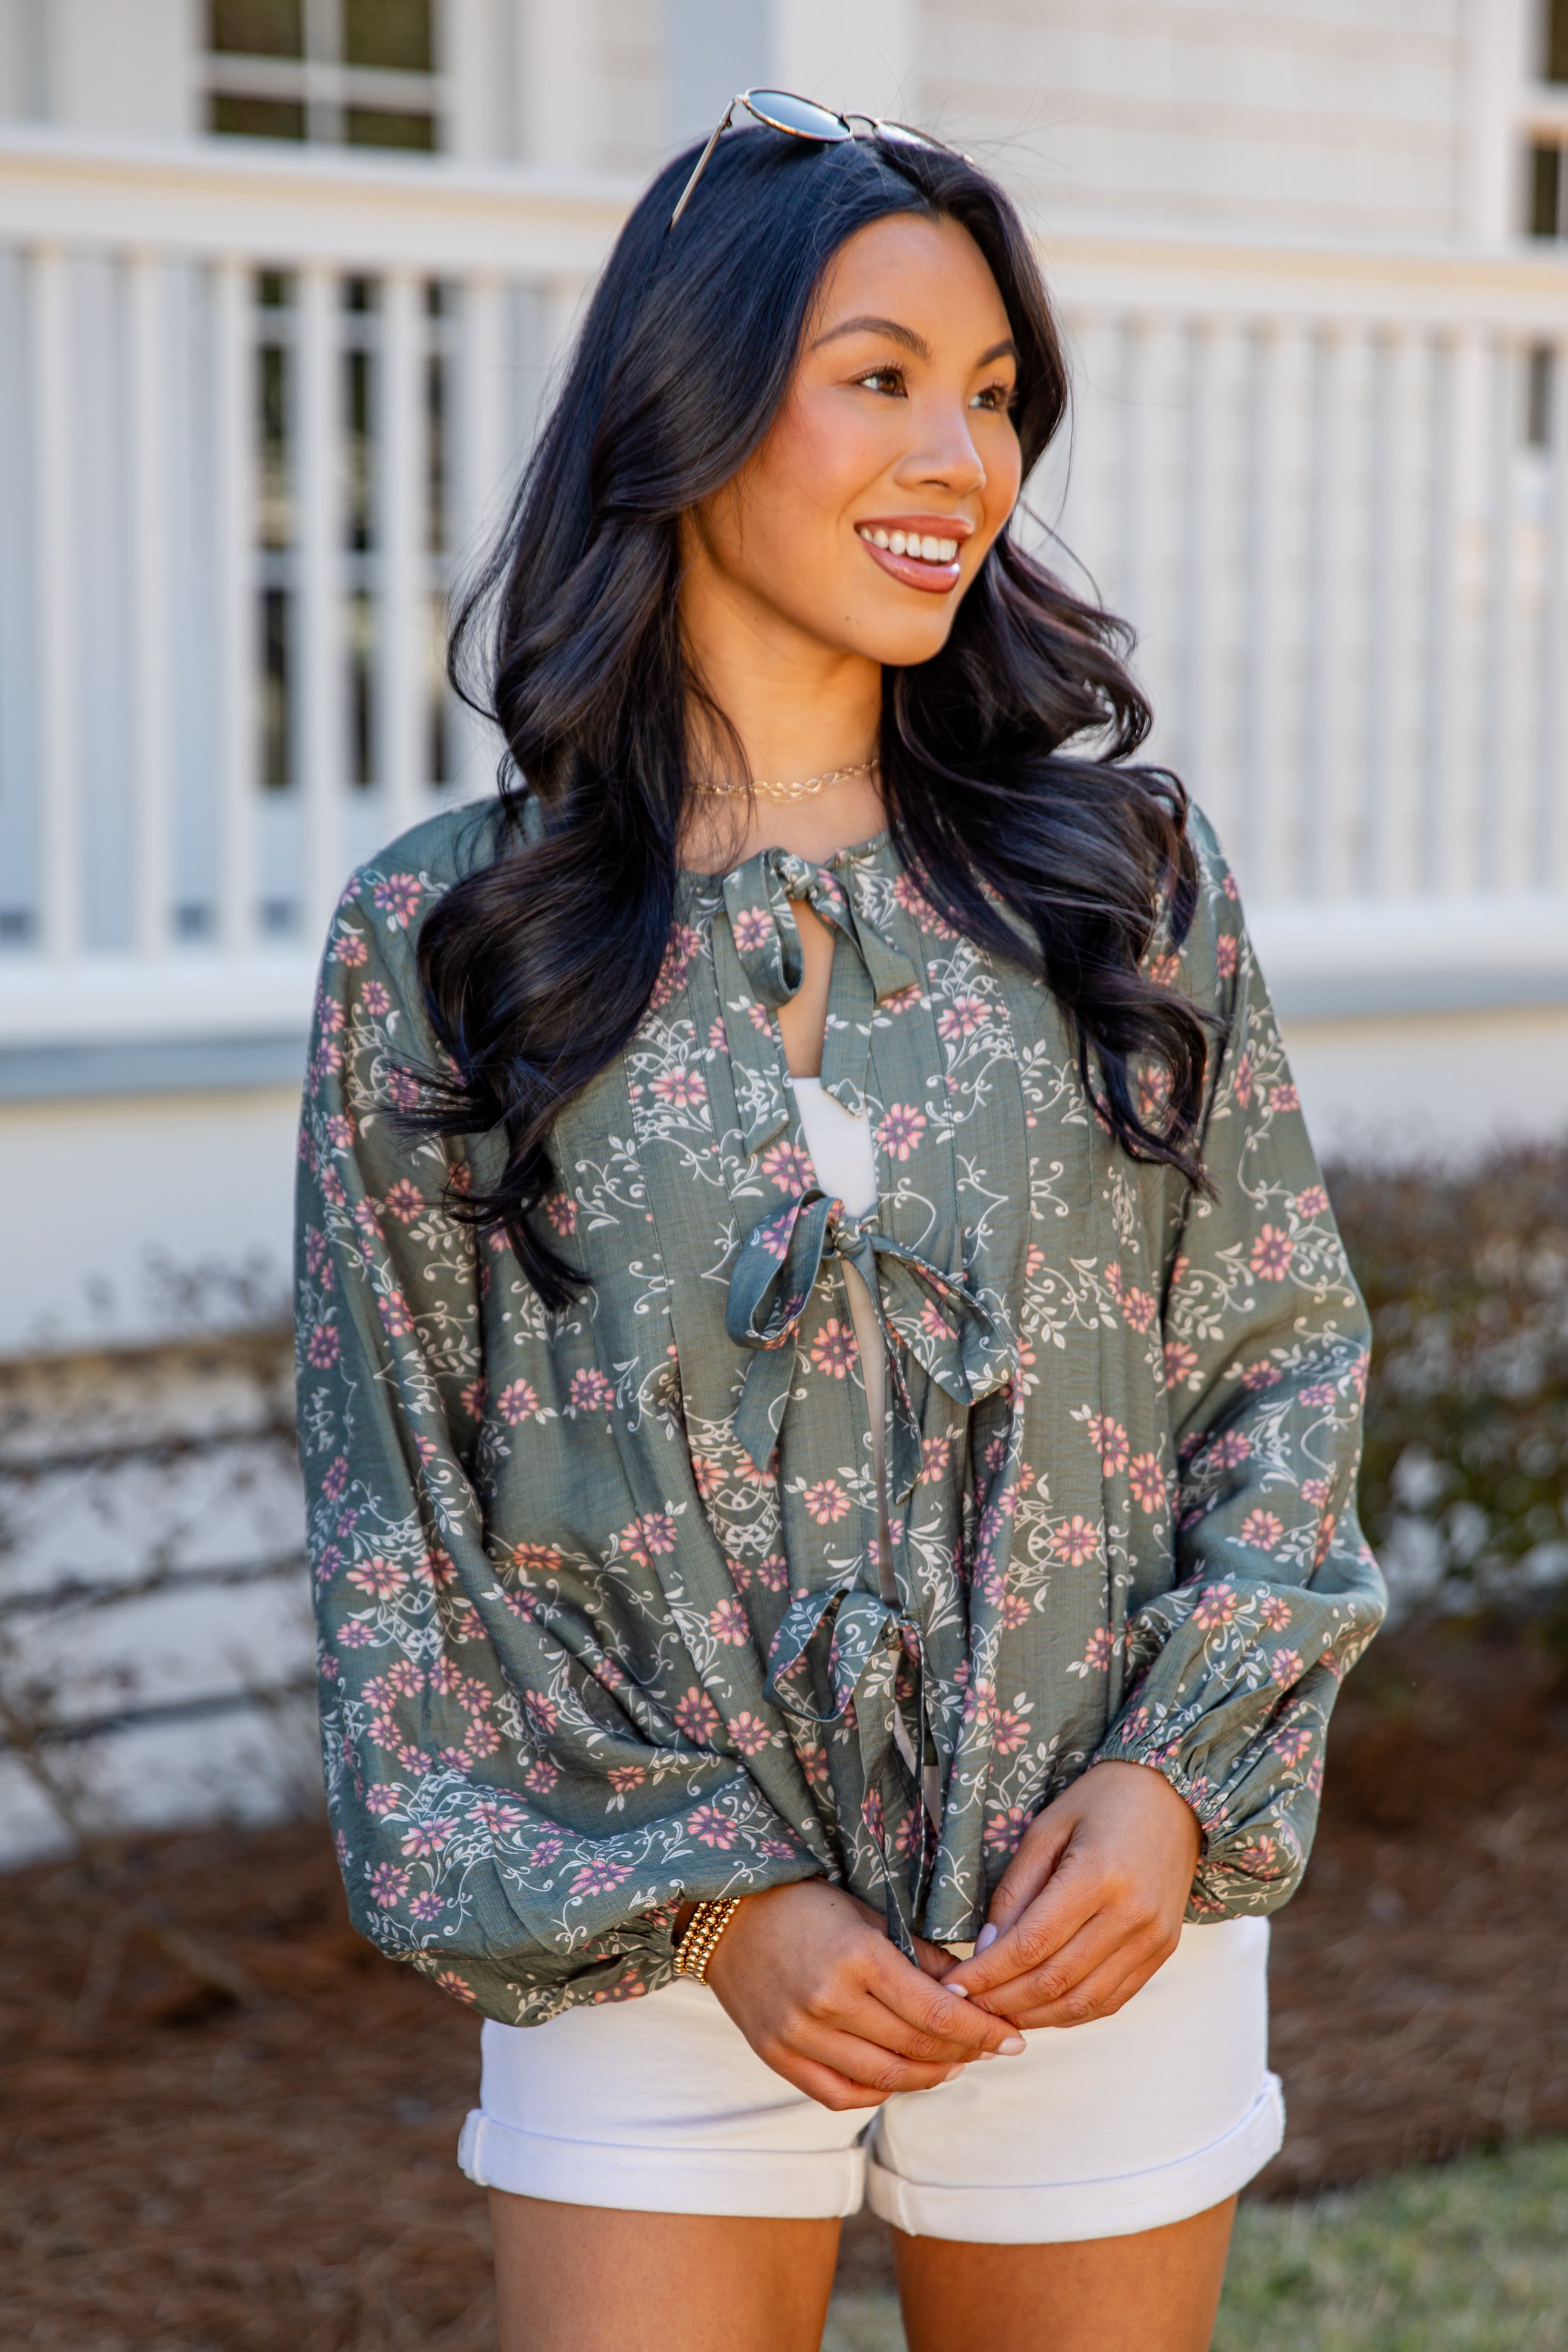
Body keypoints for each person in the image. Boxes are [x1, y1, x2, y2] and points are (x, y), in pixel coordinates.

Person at [295, 94, 1384, 2352]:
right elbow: (402, 1523)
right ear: (684, 407)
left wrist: (1171, 1784)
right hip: (636, 1938)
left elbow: (1279, 1359)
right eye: (878, 376)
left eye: (992, 398)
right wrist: (711, 1905)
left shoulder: (1124, 894)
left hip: (1087, 1928)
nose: (958, 460)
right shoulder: (447, 944)